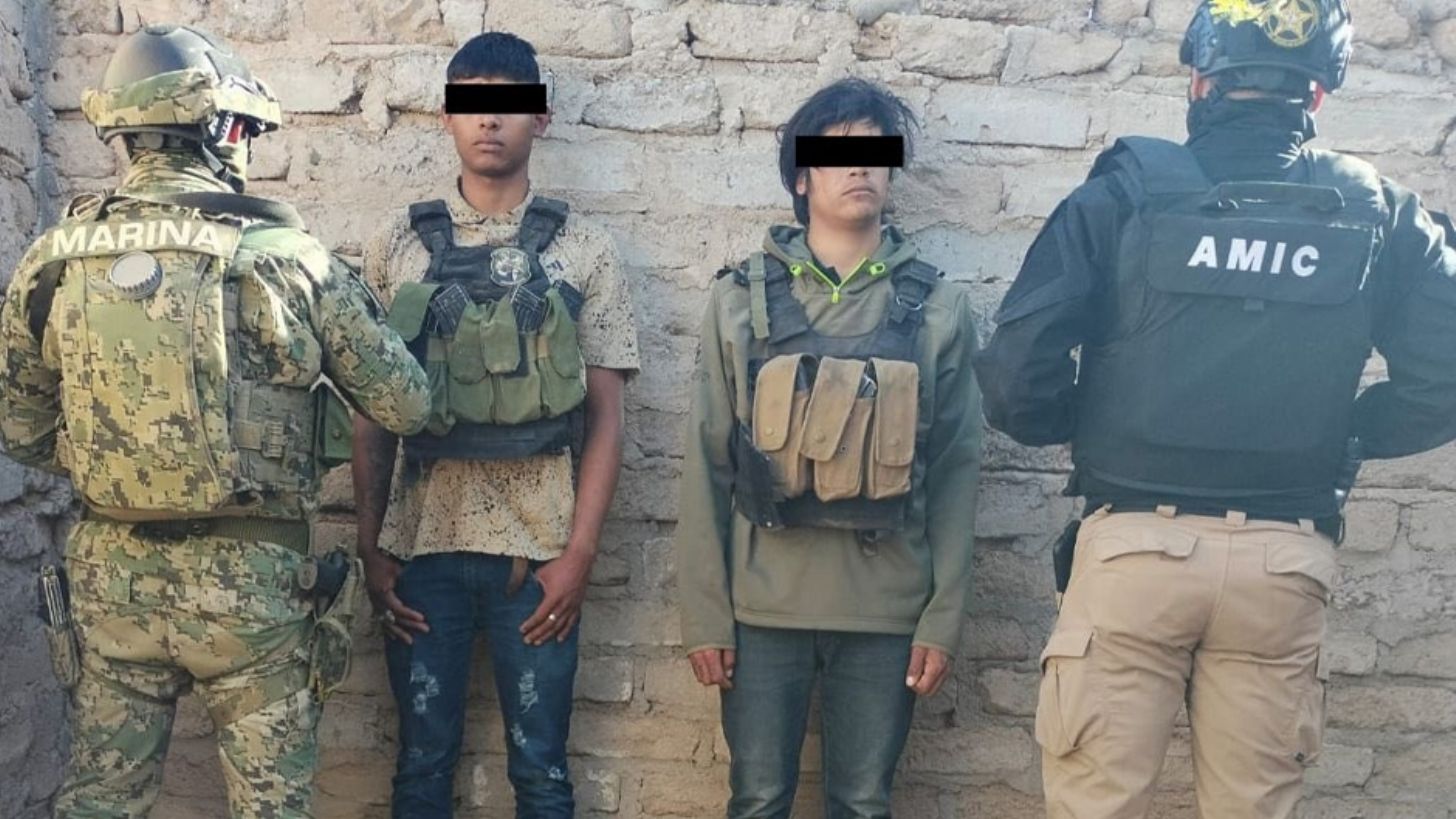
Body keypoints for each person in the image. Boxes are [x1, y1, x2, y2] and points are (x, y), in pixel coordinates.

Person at [973, 1, 1456, 816]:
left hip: (1134, 552)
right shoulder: (1380, 210)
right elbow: (1445, 375)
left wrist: (1091, 426)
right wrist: (1347, 436)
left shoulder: (1125, 192)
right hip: (1282, 562)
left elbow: (1014, 373)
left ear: (1200, 81)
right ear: (1318, 94)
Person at [0, 24, 431, 818]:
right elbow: (406, 403)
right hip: (253, 594)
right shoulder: (288, 256)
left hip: (112, 584)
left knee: (102, 801)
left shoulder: (52, 261)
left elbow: (22, 435)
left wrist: (125, 460)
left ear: (126, 130)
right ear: (224, 129)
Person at [674, 77, 984, 818]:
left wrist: (942, 616)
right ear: (801, 177)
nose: (860, 167)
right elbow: (706, 462)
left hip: (887, 615)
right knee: (757, 800)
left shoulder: (939, 310)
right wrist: (706, 614)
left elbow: (957, 472)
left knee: (863, 803)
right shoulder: (739, 301)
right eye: (838, 152)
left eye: (876, 153)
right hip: (761, 610)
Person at [352, 31, 641, 819]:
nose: (490, 120)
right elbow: (372, 413)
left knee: (542, 773)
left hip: (539, 555)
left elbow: (607, 416)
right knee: (421, 768)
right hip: (420, 550)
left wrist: (579, 554)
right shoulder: (397, 246)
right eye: (472, 103)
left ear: (540, 118)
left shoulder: (583, 249)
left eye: (510, 104)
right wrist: (370, 546)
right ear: (448, 116)